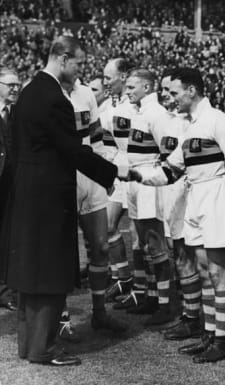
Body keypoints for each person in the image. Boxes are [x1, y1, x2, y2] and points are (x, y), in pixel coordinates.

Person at [1, 35, 120, 366]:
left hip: (27, 192)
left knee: (32, 273)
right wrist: (112, 173)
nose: (80, 70)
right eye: (79, 63)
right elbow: (72, 150)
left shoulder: (28, 92)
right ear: (64, 58)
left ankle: (31, 345)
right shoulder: (54, 98)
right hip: (49, 196)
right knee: (50, 272)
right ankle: (45, 348)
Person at [130, 68, 225, 363]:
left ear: (191, 91)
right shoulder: (188, 127)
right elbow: (170, 171)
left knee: (217, 272)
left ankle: (223, 341)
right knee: (203, 271)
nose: (170, 98)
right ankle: (209, 334)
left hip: (216, 196)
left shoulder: (220, 122)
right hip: (195, 197)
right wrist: (131, 173)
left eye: (174, 92)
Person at [58, 77, 128, 342]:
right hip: (63, 176)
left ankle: (99, 314)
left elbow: (97, 138)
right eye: (76, 62)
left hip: (89, 174)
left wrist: (104, 173)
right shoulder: (46, 93)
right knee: (63, 251)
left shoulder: (86, 93)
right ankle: (62, 317)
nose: (80, 69)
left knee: (100, 245)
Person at [121, 68, 173, 326]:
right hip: (135, 181)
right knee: (144, 243)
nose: (128, 91)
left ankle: (164, 304)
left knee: (155, 243)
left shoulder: (157, 114)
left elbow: (168, 154)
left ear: (148, 87)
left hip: (150, 184)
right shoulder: (141, 112)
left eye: (132, 87)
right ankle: (151, 297)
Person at [157, 71, 202, 340]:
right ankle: (190, 314)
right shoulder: (170, 121)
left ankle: (195, 318)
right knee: (180, 255)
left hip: (191, 194)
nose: (167, 95)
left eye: (172, 91)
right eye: (165, 90)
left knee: (191, 258)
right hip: (171, 193)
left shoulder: (195, 122)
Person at [100, 58, 139, 307]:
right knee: (108, 225)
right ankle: (123, 277)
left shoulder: (135, 104)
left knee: (139, 234)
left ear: (123, 76)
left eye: (108, 77)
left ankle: (147, 290)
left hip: (135, 171)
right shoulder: (109, 104)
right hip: (117, 170)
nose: (105, 82)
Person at [0, 68, 20, 311]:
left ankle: (5, 290)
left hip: (13, 183)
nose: (15, 88)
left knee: (8, 235)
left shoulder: (18, 113)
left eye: (18, 84)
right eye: (10, 84)